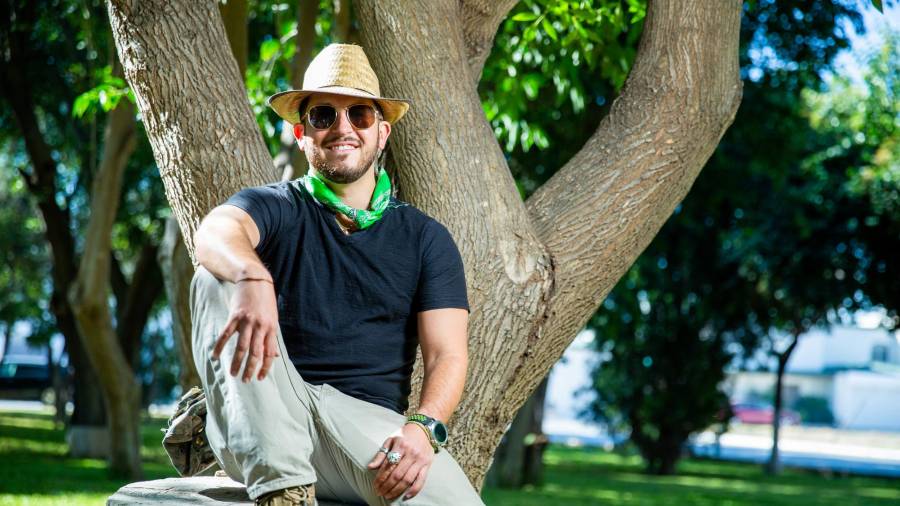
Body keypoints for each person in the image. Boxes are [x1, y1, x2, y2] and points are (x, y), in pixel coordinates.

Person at [190, 43, 485, 506]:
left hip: (361, 429)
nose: (342, 129)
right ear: (301, 133)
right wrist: (253, 279)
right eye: (324, 115)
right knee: (215, 277)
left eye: (360, 116)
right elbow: (215, 232)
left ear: (382, 133)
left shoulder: (426, 238)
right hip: (267, 413)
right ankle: (284, 491)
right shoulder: (276, 206)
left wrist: (424, 430)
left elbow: (447, 353)